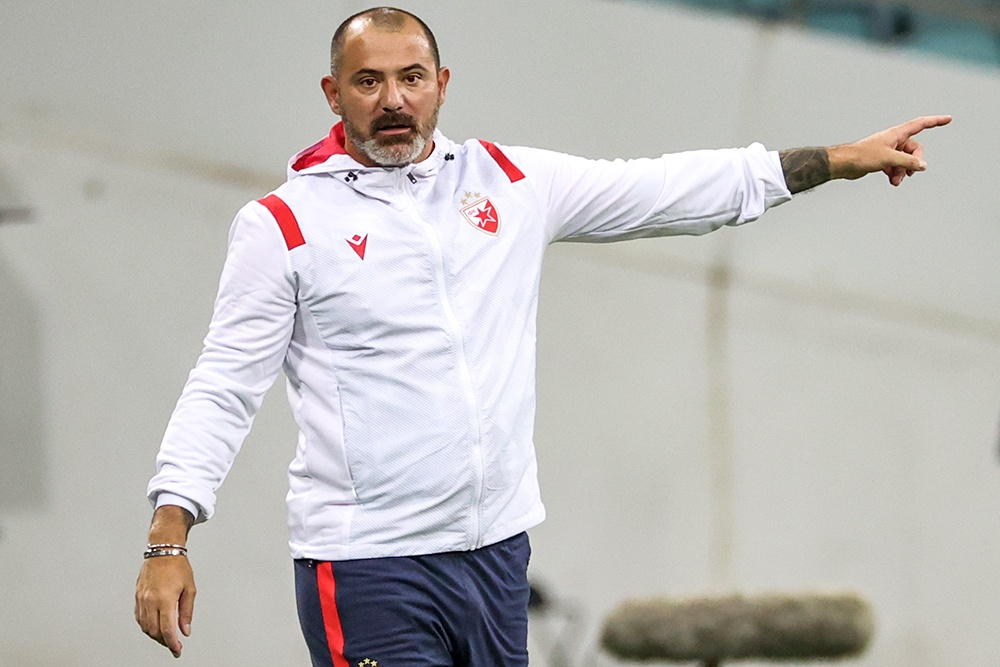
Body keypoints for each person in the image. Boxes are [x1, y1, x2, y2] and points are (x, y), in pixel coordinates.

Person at [134, 6, 950, 666]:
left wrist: (837, 159)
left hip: (497, 554)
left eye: (411, 77)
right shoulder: (282, 224)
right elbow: (223, 385)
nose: (394, 100)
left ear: (442, 85)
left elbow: (667, 188)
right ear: (333, 92)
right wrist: (169, 541)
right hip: (369, 565)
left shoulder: (510, 181)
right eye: (369, 81)